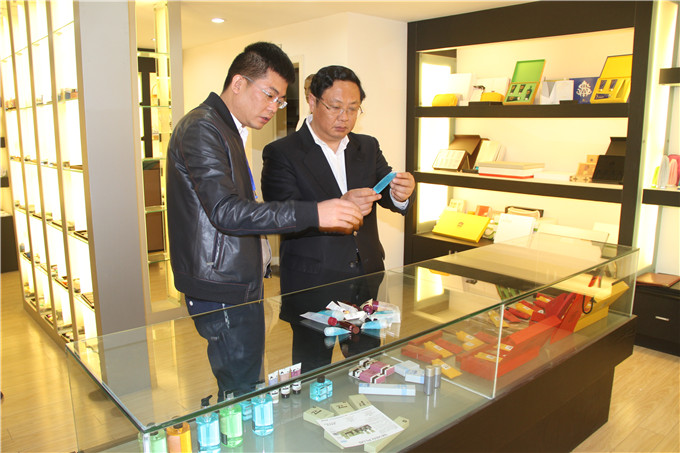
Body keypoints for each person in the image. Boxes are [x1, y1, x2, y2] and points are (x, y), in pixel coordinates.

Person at [166, 44, 363, 398]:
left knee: (245, 383)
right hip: (220, 283)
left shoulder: (228, 129)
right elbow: (226, 211)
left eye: (280, 100)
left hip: (234, 279)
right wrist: (315, 212)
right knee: (241, 388)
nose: (274, 107)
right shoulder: (202, 129)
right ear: (238, 83)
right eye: (269, 95)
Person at [261, 65, 415, 371]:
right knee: (314, 372)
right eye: (335, 107)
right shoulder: (282, 152)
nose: (344, 117)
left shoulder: (367, 146)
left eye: (353, 109)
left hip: (365, 277)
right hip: (313, 283)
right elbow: (281, 215)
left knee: (367, 364)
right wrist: (337, 207)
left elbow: (386, 192)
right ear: (312, 101)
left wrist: (401, 194)